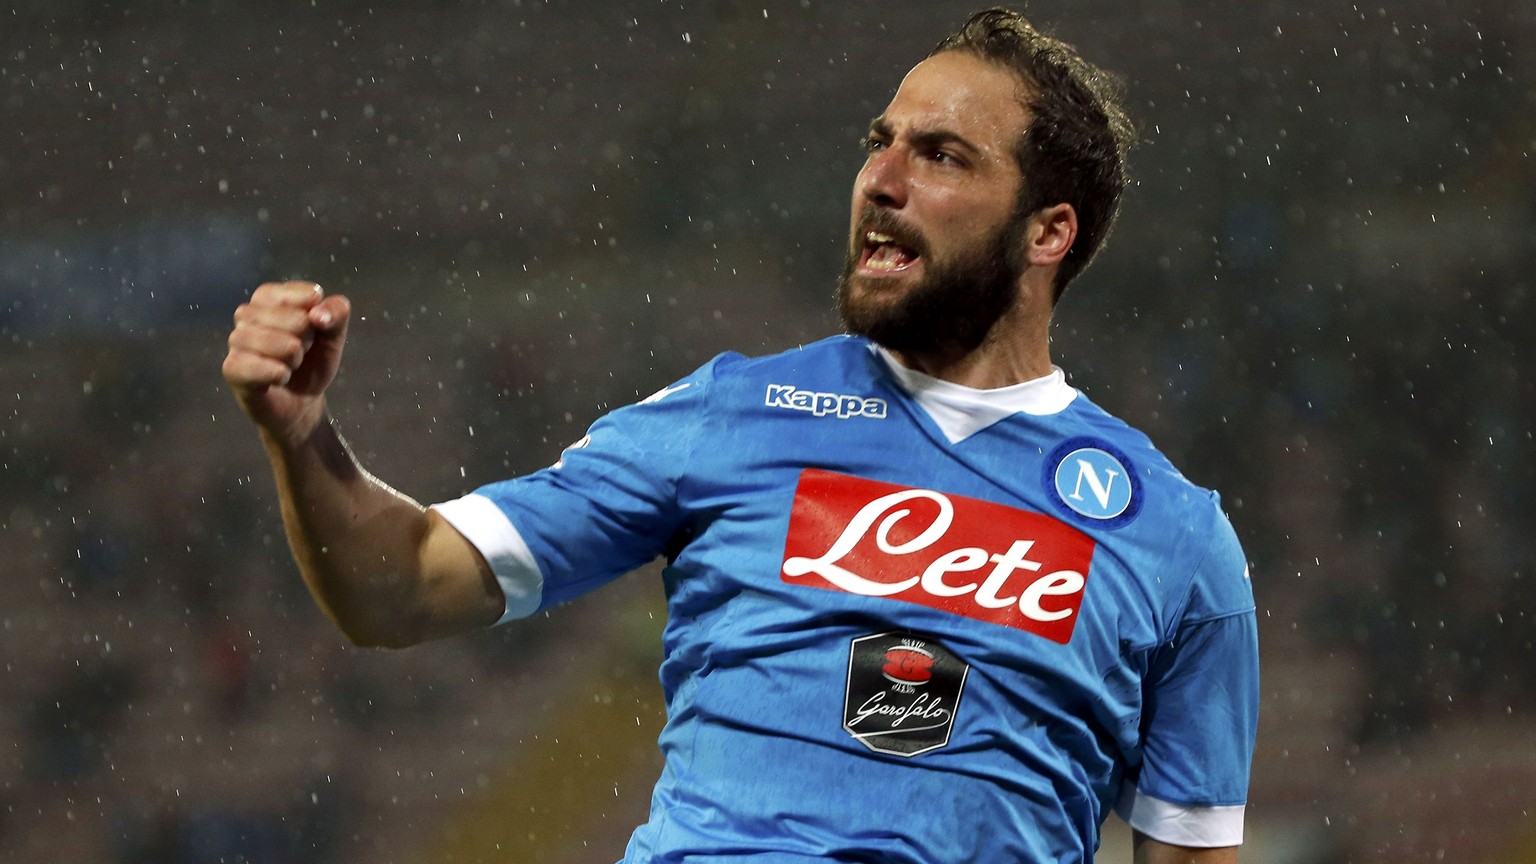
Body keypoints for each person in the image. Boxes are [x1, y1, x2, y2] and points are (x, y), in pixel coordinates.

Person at [222, 8, 1258, 863]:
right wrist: (303, 436)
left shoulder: (1173, 539)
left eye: (940, 155)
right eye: (878, 142)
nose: (882, 180)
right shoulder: (732, 415)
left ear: (1048, 232)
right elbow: (398, 586)